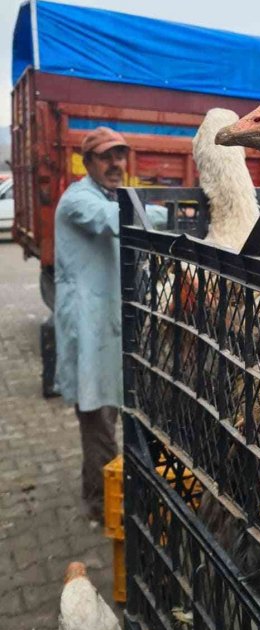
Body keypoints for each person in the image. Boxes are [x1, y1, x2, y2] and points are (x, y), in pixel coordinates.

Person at [54, 127, 166, 523]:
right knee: (98, 417)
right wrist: (174, 211)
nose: (116, 163)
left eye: (120, 155)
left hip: (110, 326)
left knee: (110, 411)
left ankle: (108, 491)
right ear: (87, 162)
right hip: (89, 329)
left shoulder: (111, 196)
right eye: (106, 157)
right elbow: (118, 219)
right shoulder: (78, 200)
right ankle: (101, 504)